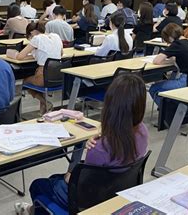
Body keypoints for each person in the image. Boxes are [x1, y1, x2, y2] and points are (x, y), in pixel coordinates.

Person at [16, 73, 149, 215]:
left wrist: (70, 175)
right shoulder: (143, 132)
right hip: (116, 193)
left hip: (87, 200)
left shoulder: (99, 149)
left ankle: (33, 211)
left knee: (39, 185)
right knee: (55, 179)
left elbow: (80, 183)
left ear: (110, 105)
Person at [11, 21, 62, 114]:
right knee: (37, 79)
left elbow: (19, 57)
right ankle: (44, 110)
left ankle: (45, 102)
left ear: (31, 33)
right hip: (59, 76)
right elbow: (61, 53)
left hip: (43, 76)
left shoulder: (36, 38)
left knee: (25, 81)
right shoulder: (56, 36)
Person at [149, 23, 188, 107]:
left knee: (154, 88)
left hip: (186, 81)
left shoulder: (177, 44)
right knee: (172, 79)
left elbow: (156, 61)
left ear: (170, 37)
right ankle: (172, 108)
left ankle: (167, 113)